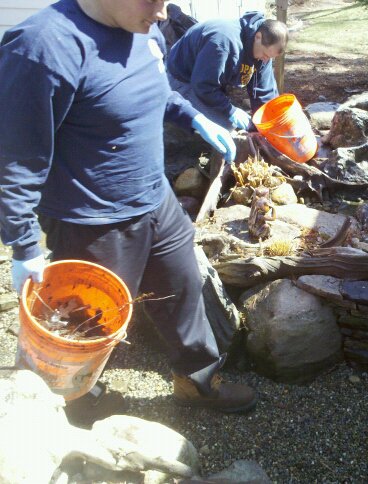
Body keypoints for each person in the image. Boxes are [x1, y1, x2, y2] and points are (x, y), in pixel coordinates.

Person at [0, 0, 257, 413]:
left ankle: (198, 380)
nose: (161, 13)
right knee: (86, 321)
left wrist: (193, 116)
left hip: (156, 199)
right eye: (152, 0)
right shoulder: (41, 47)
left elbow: (156, 89)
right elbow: (15, 158)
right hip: (92, 220)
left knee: (183, 290)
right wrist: (24, 243)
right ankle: (71, 402)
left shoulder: (142, 27)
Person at [166, 12, 288, 131]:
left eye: (270, 57)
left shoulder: (263, 51)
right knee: (227, 126)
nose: (266, 60)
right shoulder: (222, 42)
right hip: (181, 79)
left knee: (242, 123)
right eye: (265, 55)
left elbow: (264, 92)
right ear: (258, 37)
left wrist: (269, 124)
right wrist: (230, 111)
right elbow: (203, 86)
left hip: (207, 81)